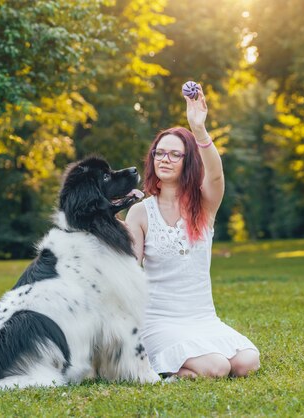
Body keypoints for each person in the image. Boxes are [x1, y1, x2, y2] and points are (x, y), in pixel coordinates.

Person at [125, 84, 260, 379]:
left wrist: (198, 129)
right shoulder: (140, 211)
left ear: (188, 161)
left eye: (175, 155)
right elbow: (129, 271)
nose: (165, 159)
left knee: (247, 362)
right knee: (217, 368)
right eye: (160, 153)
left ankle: (184, 368)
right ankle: (165, 372)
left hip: (201, 317)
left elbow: (216, 174)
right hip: (158, 321)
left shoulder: (205, 205)